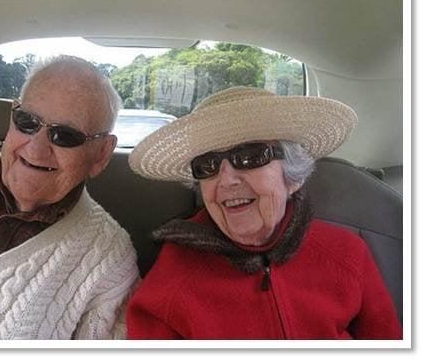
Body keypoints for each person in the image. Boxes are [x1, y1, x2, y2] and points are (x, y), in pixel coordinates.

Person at [126, 86, 402, 339]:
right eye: (207, 165)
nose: (226, 180)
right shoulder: (176, 272)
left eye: (250, 157)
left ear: (293, 177)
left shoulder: (346, 253)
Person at [0, 55, 139, 340]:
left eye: (65, 136)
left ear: (101, 154)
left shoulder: (109, 260)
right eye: (27, 121)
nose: (35, 149)